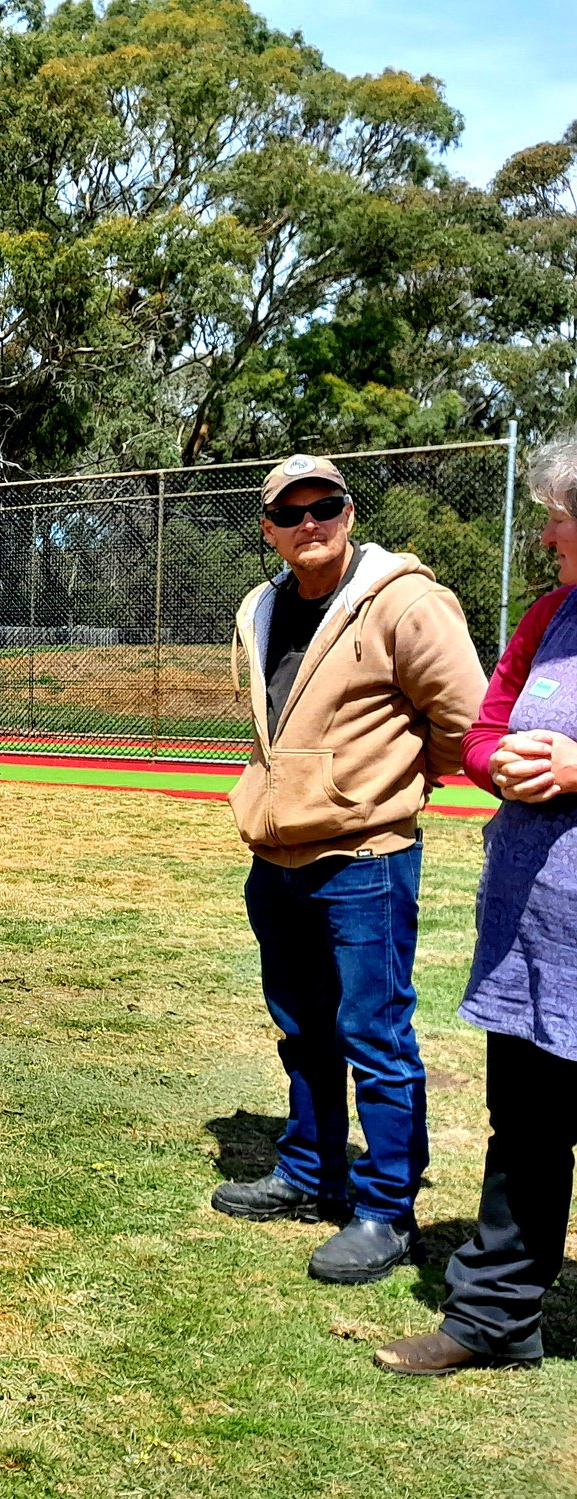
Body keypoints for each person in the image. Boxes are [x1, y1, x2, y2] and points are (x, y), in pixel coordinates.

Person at [216, 454, 486, 1283]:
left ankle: (384, 1209)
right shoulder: (259, 607)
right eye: (290, 514)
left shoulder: (407, 600)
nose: (310, 525)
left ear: (349, 512)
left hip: (366, 855)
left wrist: (390, 785)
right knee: (303, 1028)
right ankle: (310, 1170)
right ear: (268, 528)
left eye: (324, 507)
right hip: (277, 855)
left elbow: (464, 719)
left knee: (376, 1035)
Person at [376, 434, 577, 1373]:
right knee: (528, 1129)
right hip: (537, 927)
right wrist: (504, 767)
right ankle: (494, 1320)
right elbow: (484, 732)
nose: (546, 536)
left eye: (559, 517)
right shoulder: (549, 616)